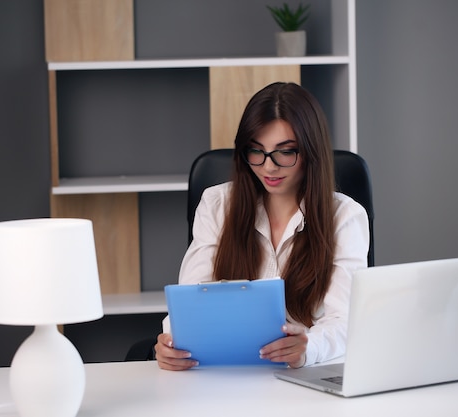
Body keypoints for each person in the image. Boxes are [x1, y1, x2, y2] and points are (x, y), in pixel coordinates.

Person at [155, 82, 369, 370]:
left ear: (311, 152)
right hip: (224, 372)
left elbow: (345, 319)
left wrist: (308, 347)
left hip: (304, 374)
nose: (268, 167)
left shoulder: (345, 217)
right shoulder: (218, 204)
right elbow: (191, 301)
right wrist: (172, 341)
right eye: (256, 151)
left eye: (285, 152)